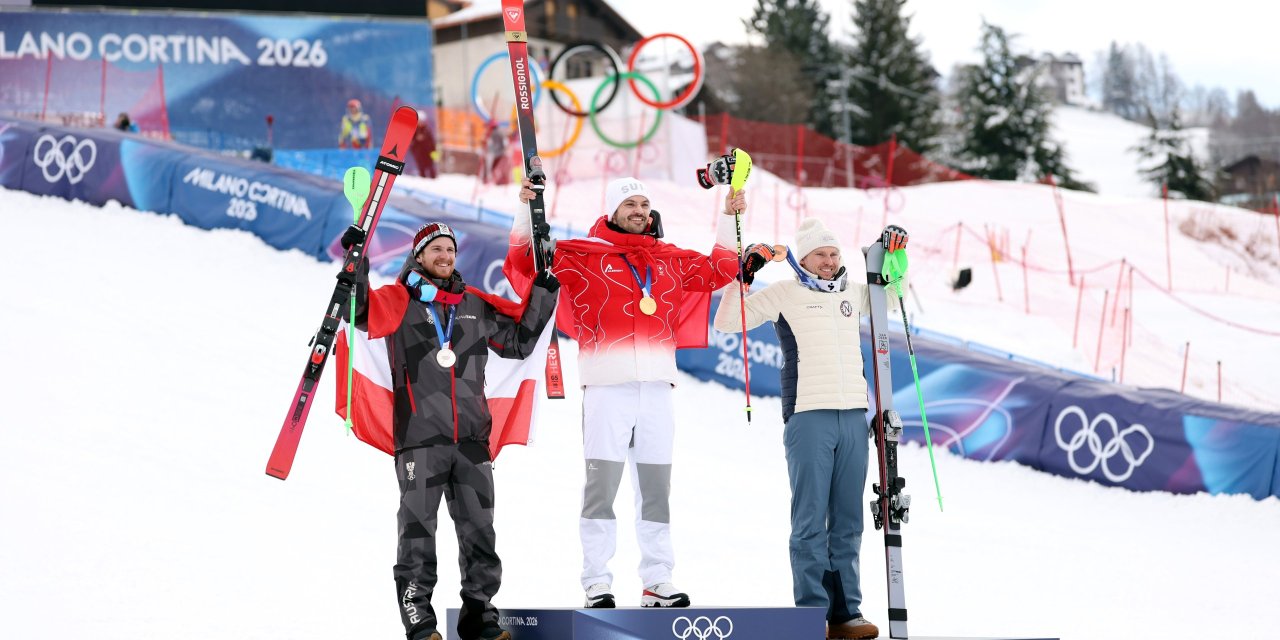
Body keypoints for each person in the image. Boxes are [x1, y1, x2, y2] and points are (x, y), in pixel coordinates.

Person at [516, 176, 746, 608]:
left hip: (658, 388)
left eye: (644, 204)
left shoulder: (669, 260)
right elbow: (528, 262)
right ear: (612, 212)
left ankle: (658, 580)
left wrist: (730, 217)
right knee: (601, 489)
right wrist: (524, 209)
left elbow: (719, 270)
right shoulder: (583, 256)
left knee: (656, 490)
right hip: (607, 387)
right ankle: (596, 582)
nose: (640, 211)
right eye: (630, 204)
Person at [344, 221, 559, 640]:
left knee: (480, 534)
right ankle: (420, 623)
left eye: (451, 250)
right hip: (420, 441)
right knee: (417, 535)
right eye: (436, 249)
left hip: (472, 443)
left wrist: (544, 289)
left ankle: (479, 616)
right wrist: (358, 262)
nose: (445, 256)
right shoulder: (397, 300)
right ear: (419, 255)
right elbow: (362, 311)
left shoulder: (473, 304)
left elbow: (518, 342)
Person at [712, 218, 909, 640]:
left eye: (834, 254)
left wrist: (895, 255)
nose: (829, 261)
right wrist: (743, 277)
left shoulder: (853, 294)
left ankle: (846, 614)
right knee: (809, 521)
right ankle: (811, 616)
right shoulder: (785, 293)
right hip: (808, 415)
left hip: (854, 417)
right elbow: (727, 321)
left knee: (849, 520)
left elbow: (892, 299)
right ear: (802, 258)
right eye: (820, 254)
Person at [411, 111, 439, 178]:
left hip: (427, 152)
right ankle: (422, 178)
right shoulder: (414, 130)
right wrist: (416, 140)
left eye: (422, 121)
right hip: (418, 152)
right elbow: (412, 142)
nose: (421, 123)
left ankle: (433, 179)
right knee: (421, 166)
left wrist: (434, 151)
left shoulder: (427, 130)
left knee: (430, 166)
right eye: (419, 121)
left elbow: (432, 142)